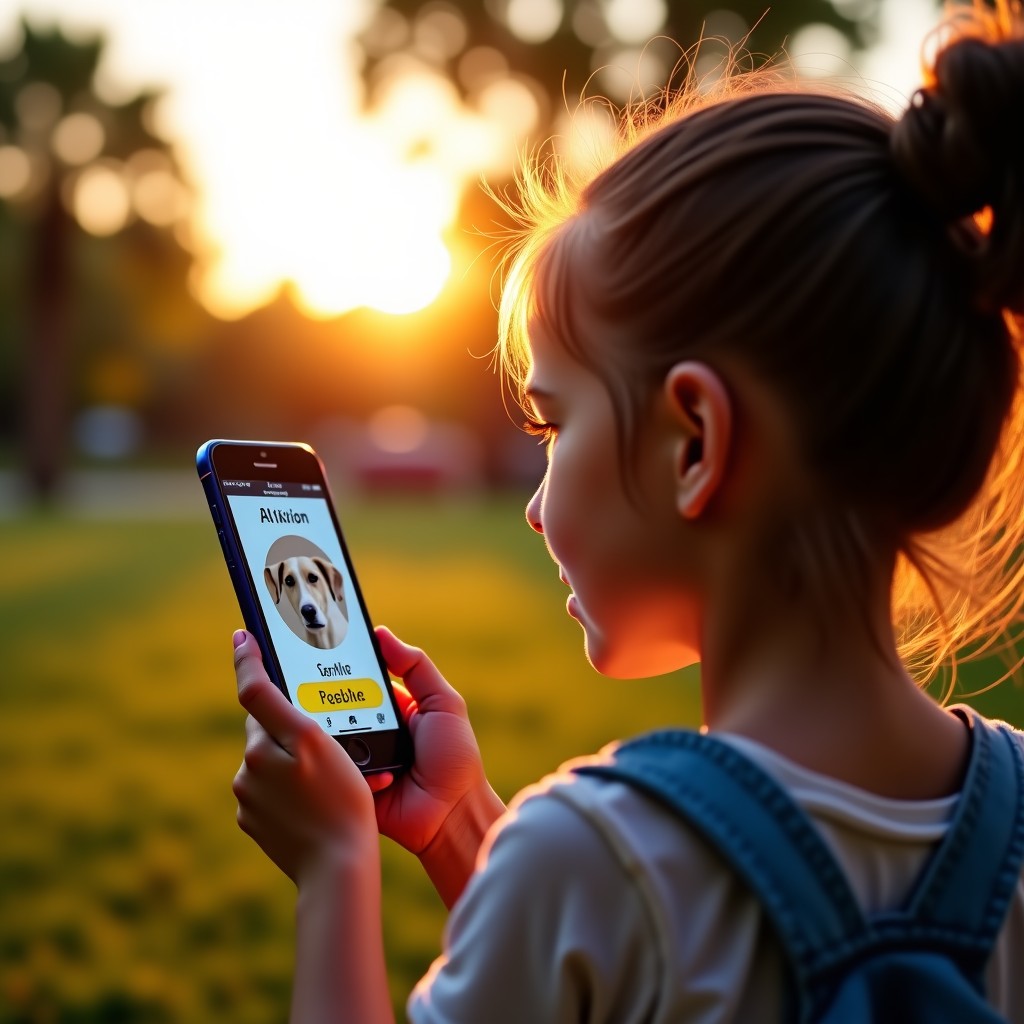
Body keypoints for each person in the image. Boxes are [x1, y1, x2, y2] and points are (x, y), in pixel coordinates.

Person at [229, 2, 1024, 1020]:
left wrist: (335, 864)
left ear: (693, 443)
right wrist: (459, 825)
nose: (534, 507)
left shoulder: (588, 859)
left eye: (554, 424)